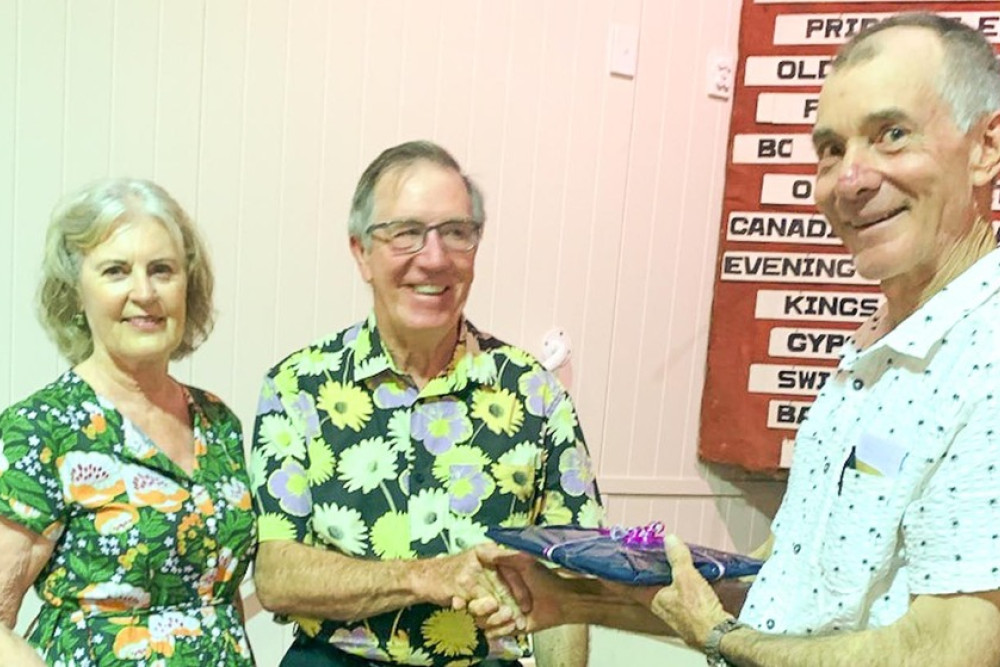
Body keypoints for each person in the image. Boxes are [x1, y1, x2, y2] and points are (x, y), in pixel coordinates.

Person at [476, 12, 1000, 666]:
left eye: (892, 135)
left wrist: (720, 638)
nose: (851, 178)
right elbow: (792, 585)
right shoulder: (877, 350)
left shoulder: (987, 363)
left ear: (986, 148)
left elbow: (953, 650)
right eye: (832, 149)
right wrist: (571, 598)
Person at [250, 140, 604, 667]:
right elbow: (278, 576)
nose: (434, 258)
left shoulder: (536, 395)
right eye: (406, 233)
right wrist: (429, 576)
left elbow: (571, 581)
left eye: (456, 233)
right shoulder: (298, 387)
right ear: (360, 252)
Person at [0, 179, 257, 664]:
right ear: (76, 292)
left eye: (162, 270)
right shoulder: (42, 428)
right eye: (116, 271)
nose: (145, 293)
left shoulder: (218, 422)